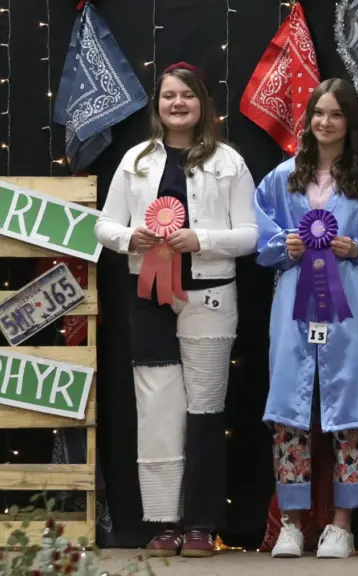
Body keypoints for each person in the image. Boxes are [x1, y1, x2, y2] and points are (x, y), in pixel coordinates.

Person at [93, 62, 257, 557]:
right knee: (157, 408)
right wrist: (131, 237)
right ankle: (165, 522)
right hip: (148, 300)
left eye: (187, 95)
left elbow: (251, 235)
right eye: (169, 96)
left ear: (203, 104)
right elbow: (103, 225)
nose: (177, 103)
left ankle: (202, 524)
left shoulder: (229, 162)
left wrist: (201, 239)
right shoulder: (136, 161)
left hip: (210, 298)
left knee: (205, 409)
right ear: (158, 105)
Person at [253, 78, 358, 559]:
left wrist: (357, 248)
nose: (326, 122)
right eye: (318, 112)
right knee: (289, 410)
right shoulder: (281, 178)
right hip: (294, 305)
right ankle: (291, 522)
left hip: (352, 307)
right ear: (308, 118)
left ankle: (342, 524)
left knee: (352, 407)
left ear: (349, 121)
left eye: (336, 114)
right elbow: (262, 240)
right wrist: (285, 245)